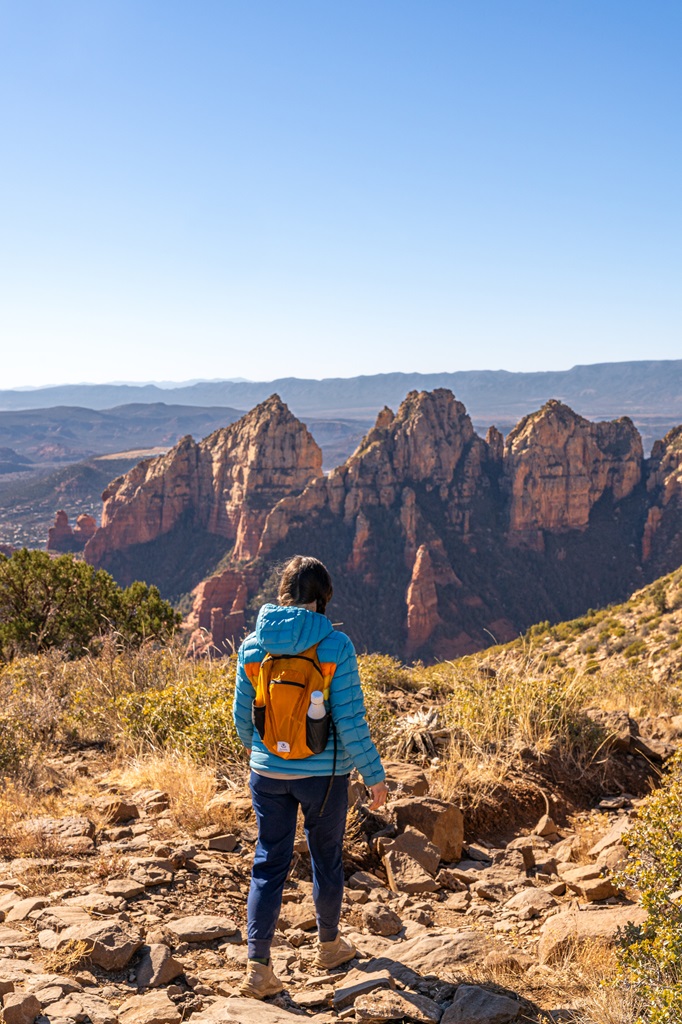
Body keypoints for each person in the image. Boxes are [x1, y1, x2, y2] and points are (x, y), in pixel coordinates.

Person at [232, 554, 388, 999]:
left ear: (283, 595)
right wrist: (374, 775)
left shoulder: (252, 647)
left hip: (266, 773)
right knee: (325, 859)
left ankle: (258, 969)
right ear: (322, 599)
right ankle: (329, 946)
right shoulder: (335, 646)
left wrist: (263, 751)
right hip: (323, 777)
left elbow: (243, 719)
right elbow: (351, 720)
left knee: (268, 863)